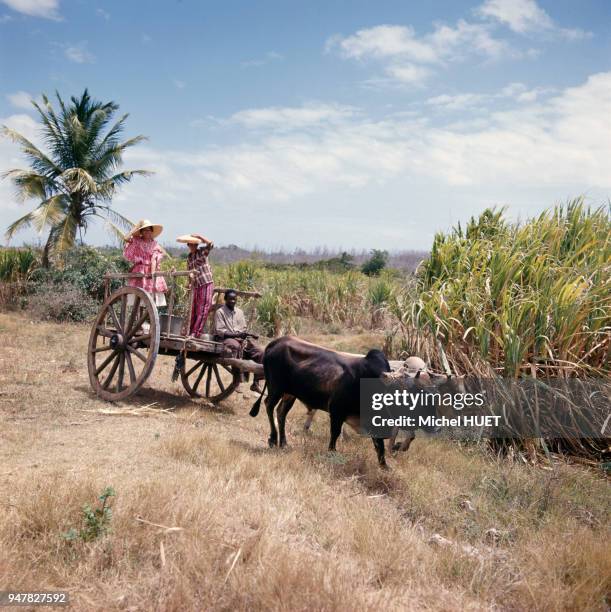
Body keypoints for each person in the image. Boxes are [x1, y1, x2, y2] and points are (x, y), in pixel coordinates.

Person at [214, 289, 264, 392]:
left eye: (234, 299)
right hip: (227, 339)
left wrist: (245, 335)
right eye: (230, 299)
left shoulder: (240, 312)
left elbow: (243, 328)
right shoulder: (220, 312)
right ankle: (236, 381)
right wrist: (237, 335)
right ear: (225, 299)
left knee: (260, 351)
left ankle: (256, 382)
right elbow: (220, 331)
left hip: (241, 339)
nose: (233, 301)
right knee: (235, 347)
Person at [177, 233, 215, 337]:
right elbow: (189, 272)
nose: (192, 246)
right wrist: (189, 283)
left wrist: (200, 236)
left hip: (206, 282)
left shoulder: (202, 252)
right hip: (196, 285)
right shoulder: (189, 257)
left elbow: (211, 244)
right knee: (194, 309)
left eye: (194, 244)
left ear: (197, 245)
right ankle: (190, 330)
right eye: (190, 244)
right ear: (188, 245)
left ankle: (196, 332)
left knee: (203, 309)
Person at [123, 219, 168, 306]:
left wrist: (153, 273)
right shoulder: (137, 240)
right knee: (138, 298)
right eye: (145, 230)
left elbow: (154, 259)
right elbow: (126, 238)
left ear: (151, 231)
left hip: (150, 270)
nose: (147, 232)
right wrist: (136, 227)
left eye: (149, 230)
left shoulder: (155, 244)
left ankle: (150, 317)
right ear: (141, 232)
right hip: (139, 270)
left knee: (151, 300)